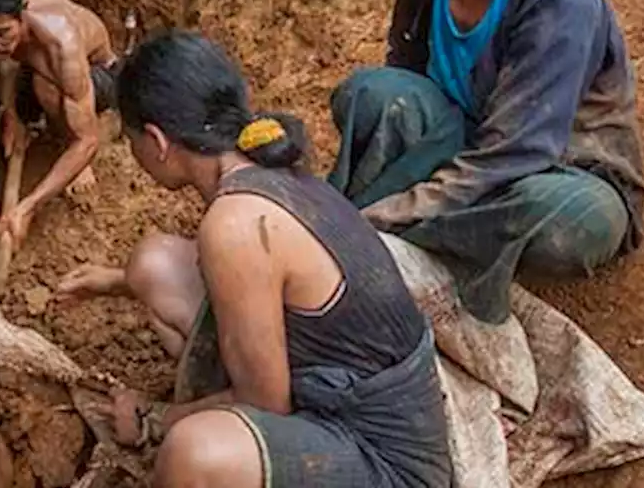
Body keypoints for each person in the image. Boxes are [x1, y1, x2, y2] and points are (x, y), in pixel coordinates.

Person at [56, 32, 451, 488]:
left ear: (157, 140)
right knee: (155, 263)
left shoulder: (235, 224)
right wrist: (112, 281)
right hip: (334, 392)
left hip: (384, 459)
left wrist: (155, 420)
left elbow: (266, 402)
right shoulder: (263, 164)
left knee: (193, 453)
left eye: (131, 140)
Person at [327, 0, 644, 324]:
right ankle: (384, 235)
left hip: (554, 167)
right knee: (373, 94)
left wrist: (392, 211)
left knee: (569, 224)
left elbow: (517, 151)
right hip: (463, 142)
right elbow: (405, 82)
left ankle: (380, 239)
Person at [0, 0, 118, 247]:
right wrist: (10, 115)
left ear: (22, 13)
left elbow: (87, 141)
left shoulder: (61, 43)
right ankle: (37, 123)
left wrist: (27, 207)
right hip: (32, 70)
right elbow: (0, 62)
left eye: (0, 34)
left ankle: (67, 143)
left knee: (47, 89)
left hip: (94, 75)